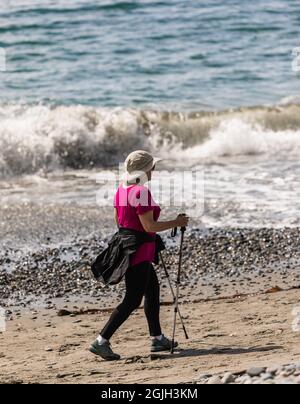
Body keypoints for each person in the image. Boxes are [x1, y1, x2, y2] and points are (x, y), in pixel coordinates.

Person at [90, 150, 189, 361]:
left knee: (152, 288)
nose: (154, 170)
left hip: (128, 247)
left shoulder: (121, 190)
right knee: (133, 299)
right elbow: (149, 225)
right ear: (146, 170)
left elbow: (120, 222)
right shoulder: (141, 193)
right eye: (153, 167)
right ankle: (101, 341)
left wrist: (148, 237)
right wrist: (176, 223)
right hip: (139, 252)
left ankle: (157, 338)